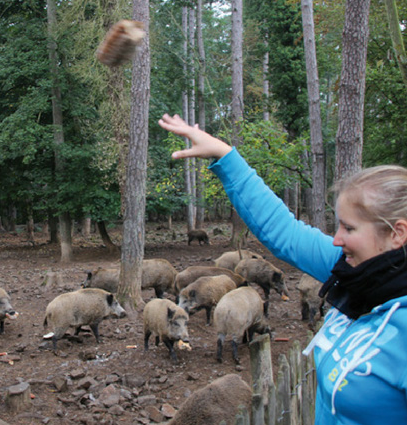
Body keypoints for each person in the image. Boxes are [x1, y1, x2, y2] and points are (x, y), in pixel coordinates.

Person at [158, 113, 407, 425]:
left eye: (349, 228)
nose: (337, 239)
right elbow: (283, 232)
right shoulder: (350, 269)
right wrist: (224, 155)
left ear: (397, 233)